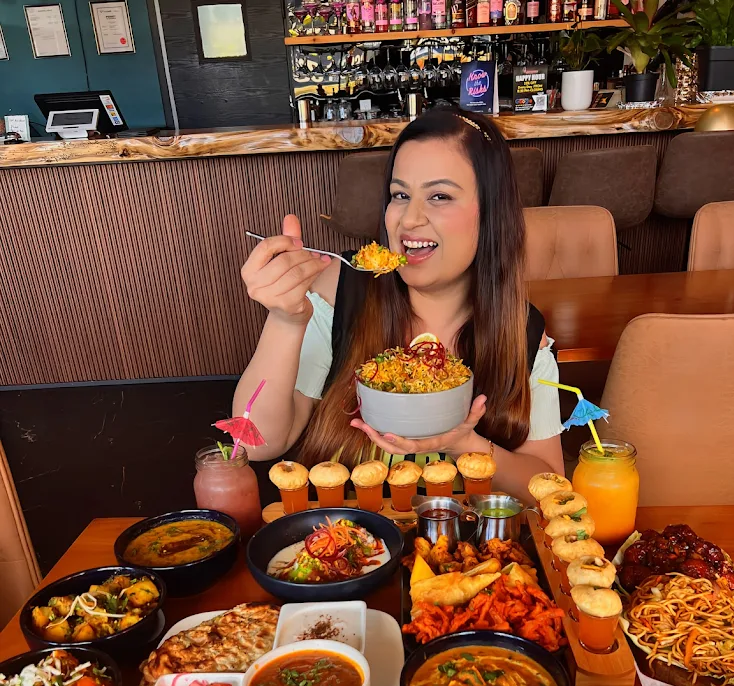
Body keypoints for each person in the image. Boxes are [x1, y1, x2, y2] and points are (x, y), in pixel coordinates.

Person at [234, 106, 564, 503]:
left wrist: (464, 443)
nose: (408, 219)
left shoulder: (521, 330)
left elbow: (549, 488)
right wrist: (285, 321)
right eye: (400, 195)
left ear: (491, 214)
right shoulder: (339, 291)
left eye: (439, 196)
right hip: (344, 535)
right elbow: (255, 442)